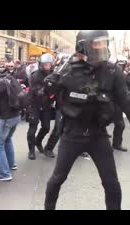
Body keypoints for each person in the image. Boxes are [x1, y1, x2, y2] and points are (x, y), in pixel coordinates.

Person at [43, 30, 130, 210]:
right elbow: (44, 102)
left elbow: (126, 102)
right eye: (98, 43)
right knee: (58, 178)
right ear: (85, 45)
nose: (103, 47)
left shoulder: (113, 72)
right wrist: (48, 87)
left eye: (105, 43)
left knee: (111, 183)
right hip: (71, 134)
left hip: (98, 135)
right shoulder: (67, 72)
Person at [26, 53, 55, 160]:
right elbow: (36, 91)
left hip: (46, 105)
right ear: (41, 65)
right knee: (32, 127)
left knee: (46, 127)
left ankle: (38, 142)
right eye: (45, 64)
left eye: (49, 64)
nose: (47, 66)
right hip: (34, 104)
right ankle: (31, 150)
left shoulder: (54, 74)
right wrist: (47, 85)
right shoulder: (35, 75)